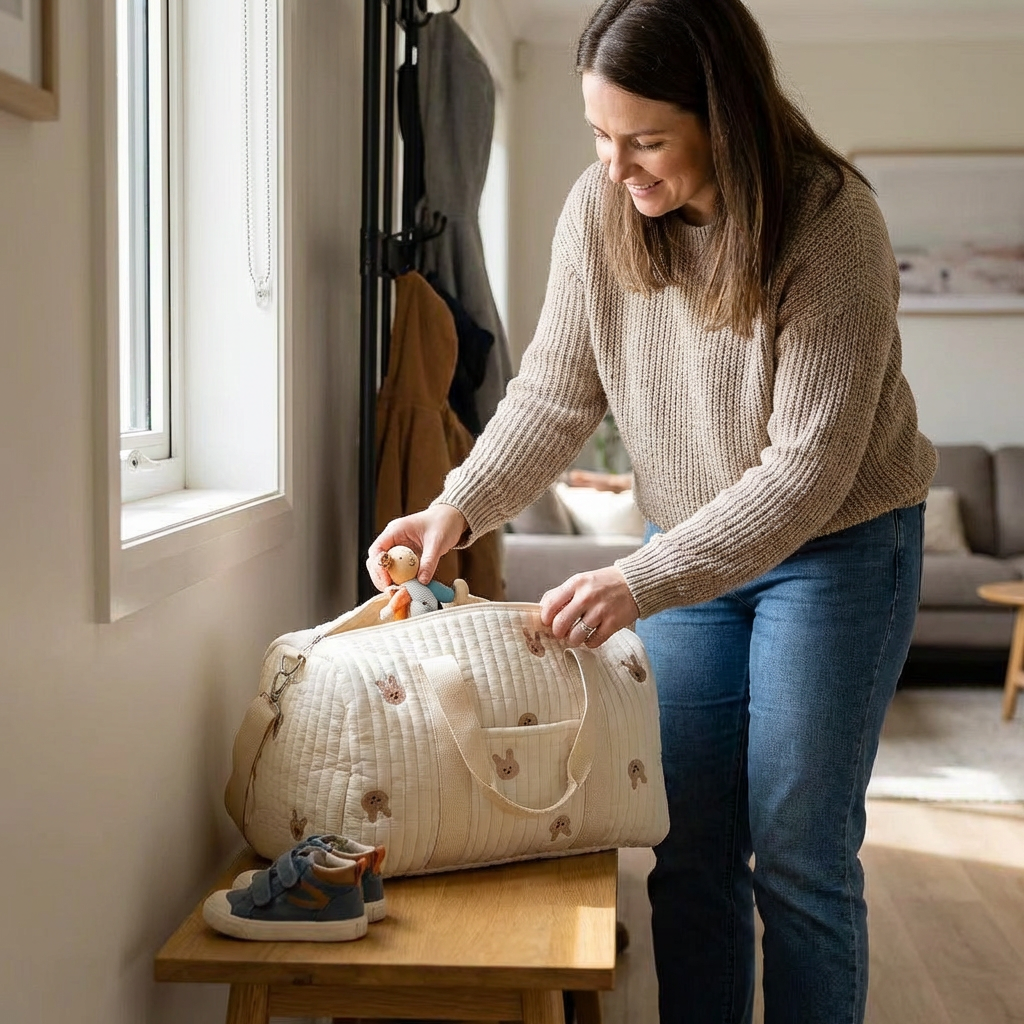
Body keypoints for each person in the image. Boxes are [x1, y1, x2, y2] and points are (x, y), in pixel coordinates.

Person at [367, 1, 936, 1020]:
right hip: (685, 550)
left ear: (725, 114)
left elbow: (805, 471)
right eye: (599, 134)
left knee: (798, 850)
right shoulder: (600, 211)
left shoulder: (831, 223)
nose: (618, 167)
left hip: (837, 548)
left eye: (646, 141)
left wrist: (639, 579)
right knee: (689, 840)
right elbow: (553, 393)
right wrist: (454, 510)